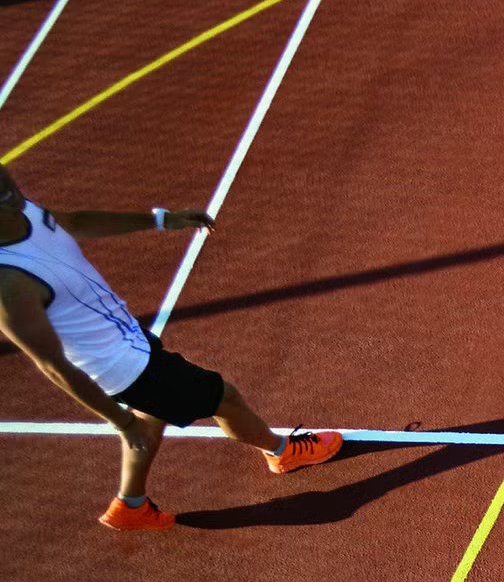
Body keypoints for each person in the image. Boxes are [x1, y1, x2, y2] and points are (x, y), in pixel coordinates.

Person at [0, 161, 342, 529]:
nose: (9, 186)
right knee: (223, 397)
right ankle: (282, 452)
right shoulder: (9, 285)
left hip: (125, 335)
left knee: (153, 412)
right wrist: (120, 421)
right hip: (121, 366)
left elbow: (76, 222)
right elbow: (53, 365)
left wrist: (161, 221)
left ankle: (130, 505)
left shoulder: (18, 207)